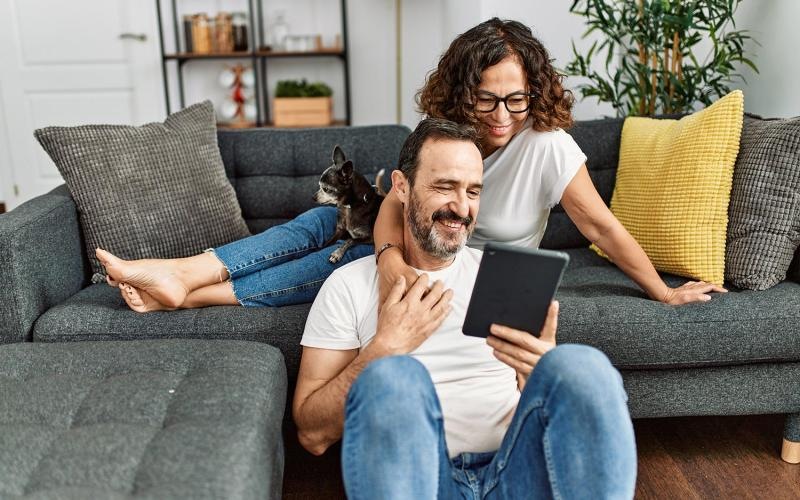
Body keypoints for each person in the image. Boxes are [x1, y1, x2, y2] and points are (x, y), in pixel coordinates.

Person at [98, 17, 725, 311]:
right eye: (487, 99)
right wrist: (391, 256)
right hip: (420, 249)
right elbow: (395, 212)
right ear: (464, 92)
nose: (503, 114)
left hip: (479, 276)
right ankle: (182, 275)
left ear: (533, 92)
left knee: (341, 257)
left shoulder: (549, 144)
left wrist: (663, 294)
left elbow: (602, 229)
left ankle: (188, 295)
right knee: (326, 224)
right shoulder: (444, 137)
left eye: (517, 97)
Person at [293, 117, 637, 499]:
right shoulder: (348, 286)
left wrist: (536, 373)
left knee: (583, 367)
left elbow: (539, 407)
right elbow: (311, 434)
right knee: (392, 378)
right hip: (424, 480)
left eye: (473, 191)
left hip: (515, 471)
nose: (461, 207)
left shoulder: (505, 275)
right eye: (445, 187)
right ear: (402, 187)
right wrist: (382, 350)